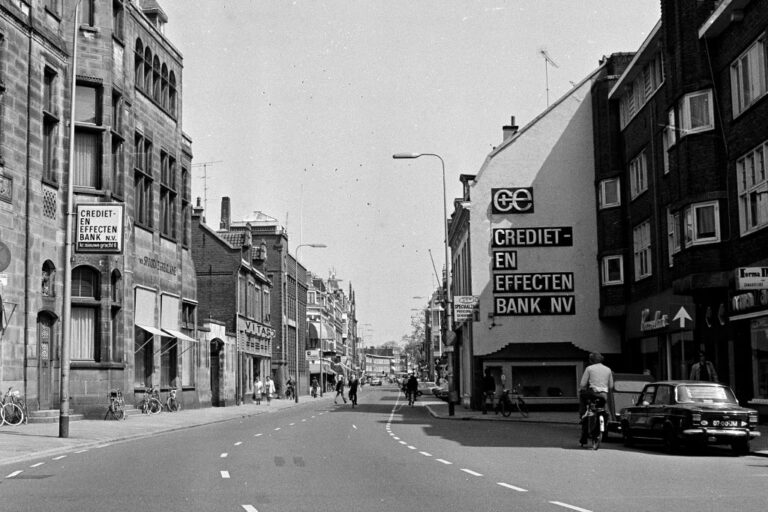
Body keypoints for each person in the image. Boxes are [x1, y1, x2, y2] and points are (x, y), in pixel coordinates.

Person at [579, 352, 613, 429]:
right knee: (603, 407)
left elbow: (582, 384)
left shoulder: (589, 368)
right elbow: (611, 385)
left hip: (593, 393)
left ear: (591, 360)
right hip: (604, 394)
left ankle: (582, 414)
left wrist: (581, 388)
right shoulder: (608, 369)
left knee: (582, 395)